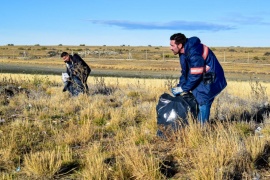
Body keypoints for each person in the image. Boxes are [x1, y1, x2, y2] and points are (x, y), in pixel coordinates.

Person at [170, 33, 227, 124]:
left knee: (204, 101)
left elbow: (195, 74)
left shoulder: (194, 52)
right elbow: (186, 72)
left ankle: (201, 130)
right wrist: (180, 85)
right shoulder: (183, 52)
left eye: (172, 45)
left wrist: (183, 88)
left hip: (211, 77)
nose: (170, 48)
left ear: (180, 45)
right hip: (203, 76)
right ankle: (197, 125)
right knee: (199, 99)